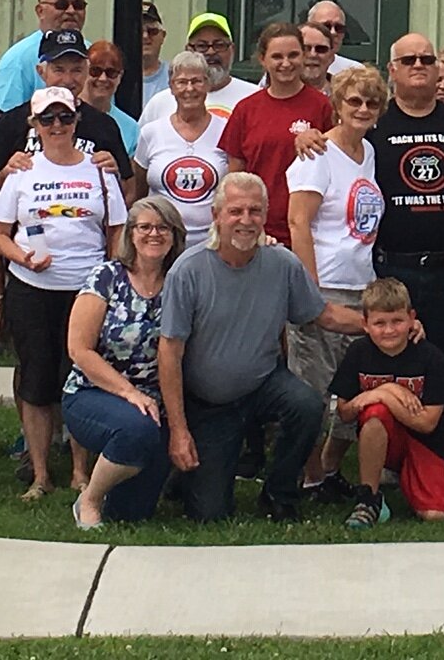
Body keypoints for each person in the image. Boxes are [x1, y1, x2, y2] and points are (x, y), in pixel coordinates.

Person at [157, 171, 368, 521]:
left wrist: (380, 328)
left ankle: (279, 492)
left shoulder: (282, 263)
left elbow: (324, 314)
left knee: (307, 405)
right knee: (209, 513)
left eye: (255, 211)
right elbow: (169, 351)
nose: (245, 220)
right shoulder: (188, 271)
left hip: (263, 384)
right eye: (235, 211)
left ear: (266, 216)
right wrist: (179, 431)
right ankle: (187, 474)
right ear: (216, 215)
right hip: (210, 402)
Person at [0, 86, 127, 499]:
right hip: (32, 288)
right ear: (33, 125)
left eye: (64, 118)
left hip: (85, 291)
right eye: (46, 119)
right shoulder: (22, 174)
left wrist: (109, 273)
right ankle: (40, 473)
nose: (56, 126)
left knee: (80, 377)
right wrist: (22, 255)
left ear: (76, 120)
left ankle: (80, 470)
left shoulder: (100, 171)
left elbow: (117, 229)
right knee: (35, 380)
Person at [286, 64, 387, 495]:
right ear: (338, 105)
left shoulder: (369, 153)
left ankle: (328, 467)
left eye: (371, 102)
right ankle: (306, 476)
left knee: (354, 386)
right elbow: (297, 223)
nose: (362, 109)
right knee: (312, 389)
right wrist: (309, 294)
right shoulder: (316, 155)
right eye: (354, 101)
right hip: (322, 285)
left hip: (361, 286)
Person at [65, 195, 188, 528]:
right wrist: (129, 393)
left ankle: (115, 489)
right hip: (94, 392)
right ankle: (89, 499)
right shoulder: (106, 277)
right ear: (130, 234)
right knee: (137, 429)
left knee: (132, 513)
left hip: (158, 400)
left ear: (175, 235)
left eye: (164, 228)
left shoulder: (181, 281)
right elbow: (79, 349)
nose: (154, 234)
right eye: (144, 227)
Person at [369, 34, 444, 388]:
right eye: (408, 61)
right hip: (392, 265)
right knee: (393, 363)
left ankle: (439, 439)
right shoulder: (374, 125)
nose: (418, 65)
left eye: (426, 59)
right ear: (392, 70)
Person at [334, 276, 444, 529]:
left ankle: (408, 480)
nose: (389, 330)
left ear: (412, 318)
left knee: (436, 515)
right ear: (365, 324)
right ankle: (369, 498)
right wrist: (383, 396)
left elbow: (427, 424)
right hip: (381, 437)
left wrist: (383, 392)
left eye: (397, 321)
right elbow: (345, 413)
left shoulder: (431, 357)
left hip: (426, 444)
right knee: (376, 412)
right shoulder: (358, 352)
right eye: (380, 323)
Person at [218, 22, 331, 246]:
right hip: (257, 232)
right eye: (277, 56)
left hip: (309, 232)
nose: (286, 63)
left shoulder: (322, 107)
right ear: (263, 59)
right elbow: (235, 178)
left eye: (293, 55)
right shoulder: (246, 110)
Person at [0, 30, 130, 182]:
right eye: (59, 70)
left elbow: (129, 188)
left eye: (76, 70)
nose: (68, 79)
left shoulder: (103, 125)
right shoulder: (11, 122)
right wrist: (5, 174)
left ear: (86, 71)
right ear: (41, 71)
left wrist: (114, 174)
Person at [132, 52, 230, 251]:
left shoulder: (226, 130)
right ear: (171, 86)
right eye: (182, 82)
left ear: (208, 84)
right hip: (160, 245)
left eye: (197, 81)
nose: (190, 89)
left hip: (212, 245)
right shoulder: (151, 133)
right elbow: (138, 193)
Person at [0, 0, 89, 115]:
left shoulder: (92, 52)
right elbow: (2, 117)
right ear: (40, 11)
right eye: (61, 5)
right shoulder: (18, 58)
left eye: (78, 5)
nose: (71, 11)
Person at [141, 12, 259, 122]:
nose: (211, 52)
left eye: (219, 45)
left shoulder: (255, 98)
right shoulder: (160, 104)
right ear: (188, 50)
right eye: (202, 46)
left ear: (232, 49)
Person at [80, 39, 143, 176]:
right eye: (95, 71)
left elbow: (131, 183)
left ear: (120, 77)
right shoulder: (66, 116)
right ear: (83, 71)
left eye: (111, 73)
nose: (103, 78)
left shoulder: (131, 127)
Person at [306, 0, 362, 76]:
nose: (333, 32)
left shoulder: (356, 72)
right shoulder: (293, 67)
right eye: (326, 26)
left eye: (339, 28)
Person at [138, 1, 169, 108]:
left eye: (152, 31)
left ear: (163, 36)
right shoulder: (113, 76)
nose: (145, 36)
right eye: (139, 31)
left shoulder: (175, 76)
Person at [299, 23, 336, 92]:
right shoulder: (276, 94)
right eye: (305, 48)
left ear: (331, 57)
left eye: (321, 49)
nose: (313, 54)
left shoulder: (346, 94)